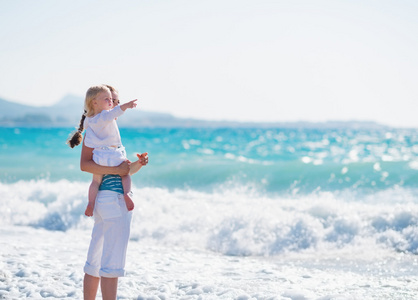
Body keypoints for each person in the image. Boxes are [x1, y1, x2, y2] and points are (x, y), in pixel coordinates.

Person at [68, 84, 137, 216]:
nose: (112, 102)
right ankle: (127, 194)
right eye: (108, 99)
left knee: (95, 182)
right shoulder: (104, 115)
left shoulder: (89, 120)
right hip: (113, 154)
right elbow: (115, 112)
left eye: (114, 100)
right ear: (95, 102)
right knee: (125, 174)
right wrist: (127, 105)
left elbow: (86, 133)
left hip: (99, 156)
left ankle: (91, 203)